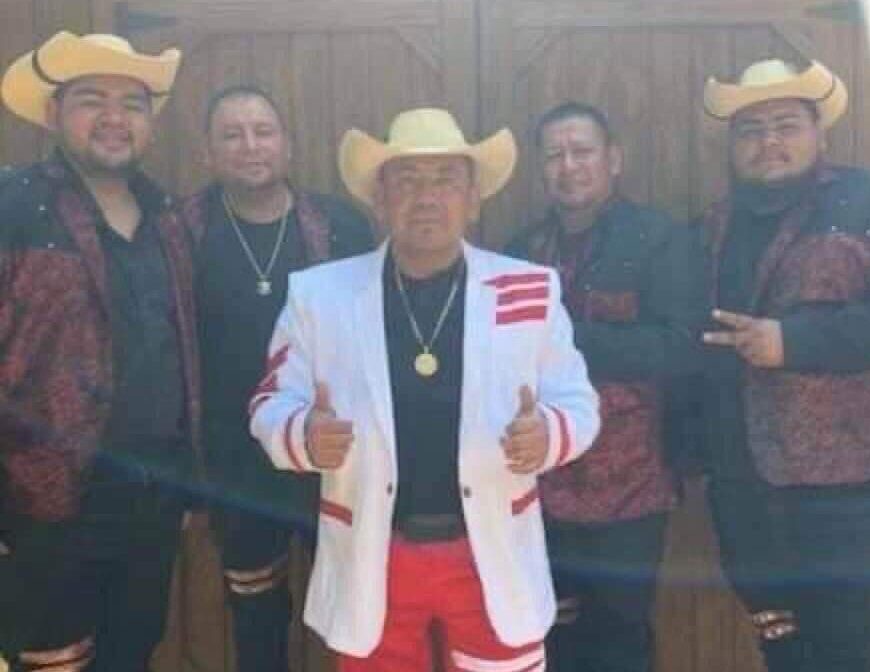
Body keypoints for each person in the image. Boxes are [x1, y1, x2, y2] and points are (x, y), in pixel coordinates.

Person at [249, 107, 600, 672]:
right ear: (379, 200)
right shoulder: (320, 296)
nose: (427, 196)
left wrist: (549, 435)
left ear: (475, 199)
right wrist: (304, 437)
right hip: (372, 553)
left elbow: (579, 405)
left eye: (446, 180)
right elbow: (269, 405)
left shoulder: (528, 288)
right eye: (406, 180)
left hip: (492, 553)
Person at [698, 58, 870, 672]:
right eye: (751, 130)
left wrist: (794, 342)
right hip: (748, 487)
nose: (769, 142)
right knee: (783, 650)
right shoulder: (712, 228)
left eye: (785, 124)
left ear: (821, 132)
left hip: (858, 486)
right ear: (733, 145)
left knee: (848, 653)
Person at [0, 32, 200, 671]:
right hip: (39, 501)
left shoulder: (168, 216)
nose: (115, 118)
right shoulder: (12, 207)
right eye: (92, 100)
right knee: (50, 661)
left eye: (133, 104)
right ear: (54, 114)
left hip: (150, 497)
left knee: (130, 653)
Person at [507, 101, 707, 672]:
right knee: (547, 633)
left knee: (620, 638)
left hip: (632, 485)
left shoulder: (659, 239)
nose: (569, 166)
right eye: (554, 155)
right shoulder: (521, 248)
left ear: (613, 160)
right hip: (536, 477)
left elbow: (679, 347)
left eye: (582, 151)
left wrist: (560, 337)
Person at [180, 84, 373, 672]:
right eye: (231, 134)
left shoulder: (339, 224)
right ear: (208, 153)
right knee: (256, 610)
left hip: (332, 454)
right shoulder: (182, 233)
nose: (249, 146)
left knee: (351, 605)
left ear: (288, 145)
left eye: (263, 131)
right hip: (234, 458)